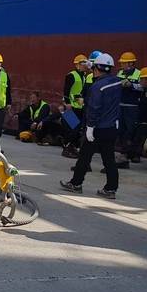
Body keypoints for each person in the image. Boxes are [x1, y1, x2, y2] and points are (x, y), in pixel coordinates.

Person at [60, 53, 121, 199]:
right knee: (109, 159)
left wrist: (90, 128)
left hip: (97, 128)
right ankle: (111, 189)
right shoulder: (117, 82)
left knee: (84, 157)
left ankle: (76, 184)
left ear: (96, 68)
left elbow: (94, 108)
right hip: (111, 127)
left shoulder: (96, 87)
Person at [116, 52, 141, 168]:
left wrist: (132, 85)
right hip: (121, 105)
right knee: (121, 130)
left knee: (131, 131)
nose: (121, 65)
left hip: (132, 106)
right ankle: (123, 153)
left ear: (131, 63)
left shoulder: (139, 74)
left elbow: (143, 87)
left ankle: (134, 153)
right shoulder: (120, 73)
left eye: (124, 63)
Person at [130, 67, 147, 164]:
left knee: (140, 137)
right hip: (142, 119)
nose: (140, 81)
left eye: (142, 79)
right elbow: (135, 86)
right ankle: (135, 154)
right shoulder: (143, 90)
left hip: (145, 120)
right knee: (138, 137)